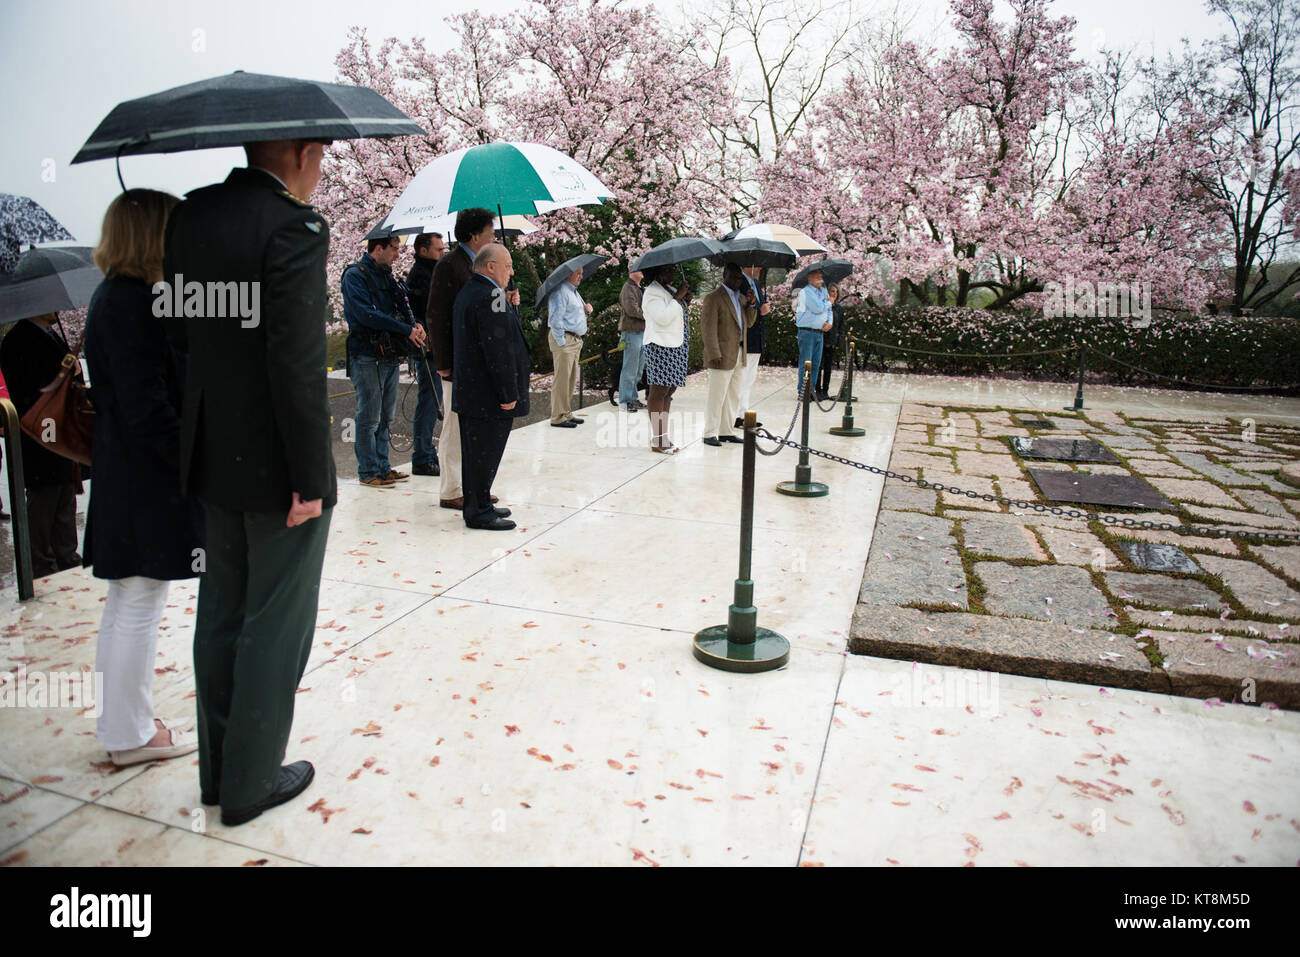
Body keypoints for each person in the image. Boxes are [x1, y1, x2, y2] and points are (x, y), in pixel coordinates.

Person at [163, 137, 337, 827]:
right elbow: (296, 364)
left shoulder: (193, 215)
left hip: (213, 449)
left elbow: (179, 329)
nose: (322, 170)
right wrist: (309, 476)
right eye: (321, 155)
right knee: (275, 620)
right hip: (274, 463)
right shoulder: (294, 226)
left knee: (223, 613)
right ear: (297, 153)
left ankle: (218, 772)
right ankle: (252, 780)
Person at [83, 188, 204, 767]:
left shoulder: (118, 297)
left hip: (130, 476)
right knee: (137, 603)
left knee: (129, 602)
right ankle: (128, 734)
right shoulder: (132, 303)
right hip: (145, 482)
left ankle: (122, 723)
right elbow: (147, 407)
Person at [426, 208, 508, 511]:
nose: (494, 237)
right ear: (474, 235)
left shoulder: (480, 264)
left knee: (476, 427)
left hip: (479, 359)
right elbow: (436, 315)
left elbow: (489, 307)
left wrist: (505, 297)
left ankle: (474, 487)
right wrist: (443, 361)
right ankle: (451, 489)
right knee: (455, 424)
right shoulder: (450, 265)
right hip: (457, 361)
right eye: (490, 233)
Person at [452, 244, 530, 530]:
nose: (511, 271)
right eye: (507, 265)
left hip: (475, 392)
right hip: (487, 395)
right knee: (483, 454)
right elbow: (497, 349)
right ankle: (478, 511)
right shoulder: (488, 296)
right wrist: (508, 394)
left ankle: (480, 501)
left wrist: (508, 305)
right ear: (490, 267)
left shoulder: (478, 292)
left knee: (478, 455)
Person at [0, 312, 83, 576]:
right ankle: (42, 562)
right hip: (41, 429)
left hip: (61, 428)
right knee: (45, 496)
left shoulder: (49, 334)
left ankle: (66, 555)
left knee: (63, 492)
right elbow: (29, 386)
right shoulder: (19, 340)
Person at [341, 235, 426, 489]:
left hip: (388, 353)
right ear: (378, 249)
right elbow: (366, 314)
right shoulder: (355, 276)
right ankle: (368, 470)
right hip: (366, 353)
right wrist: (404, 329)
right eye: (394, 249)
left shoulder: (387, 277)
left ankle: (382, 466)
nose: (397, 255)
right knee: (368, 416)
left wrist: (415, 324)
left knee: (386, 415)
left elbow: (402, 303)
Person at [699, 263, 757, 446]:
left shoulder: (740, 298)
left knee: (733, 394)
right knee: (717, 395)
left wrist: (752, 304)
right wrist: (713, 352)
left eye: (740, 278)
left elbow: (749, 323)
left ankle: (726, 431)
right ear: (724, 275)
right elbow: (707, 329)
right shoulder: (713, 298)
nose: (737, 280)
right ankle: (709, 433)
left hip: (739, 352)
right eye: (733, 277)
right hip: (721, 355)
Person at [404, 232, 446, 476]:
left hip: (435, 345)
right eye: (438, 249)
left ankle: (426, 453)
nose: (442, 253)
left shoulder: (431, 272)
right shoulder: (422, 275)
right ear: (423, 251)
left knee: (432, 401)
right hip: (429, 347)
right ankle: (423, 455)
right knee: (429, 401)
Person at [641, 264, 693, 454]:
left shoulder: (668, 289)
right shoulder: (651, 293)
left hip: (676, 346)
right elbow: (662, 318)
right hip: (660, 346)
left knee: (669, 390)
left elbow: (677, 312)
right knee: (658, 391)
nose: (672, 272)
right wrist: (677, 298)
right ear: (656, 272)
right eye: (668, 270)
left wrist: (684, 300)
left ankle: (663, 436)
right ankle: (658, 439)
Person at [546, 266, 591, 428]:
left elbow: (572, 316)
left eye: (581, 273)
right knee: (562, 379)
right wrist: (562, 342)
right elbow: (555, 320)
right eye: (578, 273)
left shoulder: (574, 292)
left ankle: (566, 412)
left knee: (571, 379)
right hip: (565, 339)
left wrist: (586, 312)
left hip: (574, 339)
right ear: (568, 275)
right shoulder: (560, 291)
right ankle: (558, 416)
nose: (581, 276)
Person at [735, 265, 769, 429]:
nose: (760, 267)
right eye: (757, 263)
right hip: (747, 336)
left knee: (749, 378)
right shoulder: (739, 282)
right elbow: (741, 309)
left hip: (757, 337)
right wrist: (758, 309)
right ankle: (737, 415)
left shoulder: (755, 282)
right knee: (742, 377)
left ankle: (744, 412)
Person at [794, 268, 832, 398]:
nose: (820, 277)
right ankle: (803, 391)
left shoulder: (824, 290)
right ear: (809, 279)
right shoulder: (806, 292)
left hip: (819, 332)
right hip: (807, 332)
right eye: (817, 275)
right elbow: (818, 308)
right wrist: (827, 303)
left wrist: (829, 322)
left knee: (816, 364)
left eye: (821, 275)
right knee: (806, 363)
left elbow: (829, 310)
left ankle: (811, 390)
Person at [617, 269, 646, 412]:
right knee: (630, 368)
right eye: (638, 269)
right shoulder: (627, 288)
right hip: (631, 332)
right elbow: (631, 309)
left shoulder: (639, 288)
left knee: (638, 369)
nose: (642, 271)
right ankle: (625, 401)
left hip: (641, 332)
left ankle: (633, 398)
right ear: (630, 270)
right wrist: (649, 315)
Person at [817, 283, 845, 401]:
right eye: (832, 291)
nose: (834, 294)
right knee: (818, 366)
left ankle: (825, 390)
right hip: (821, 339)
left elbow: (841, 326)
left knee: (828, 367)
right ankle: (817, 390)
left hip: (832, 340)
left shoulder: (839, 308)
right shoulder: (822, 305)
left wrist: (839, 340)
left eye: (836, 292)